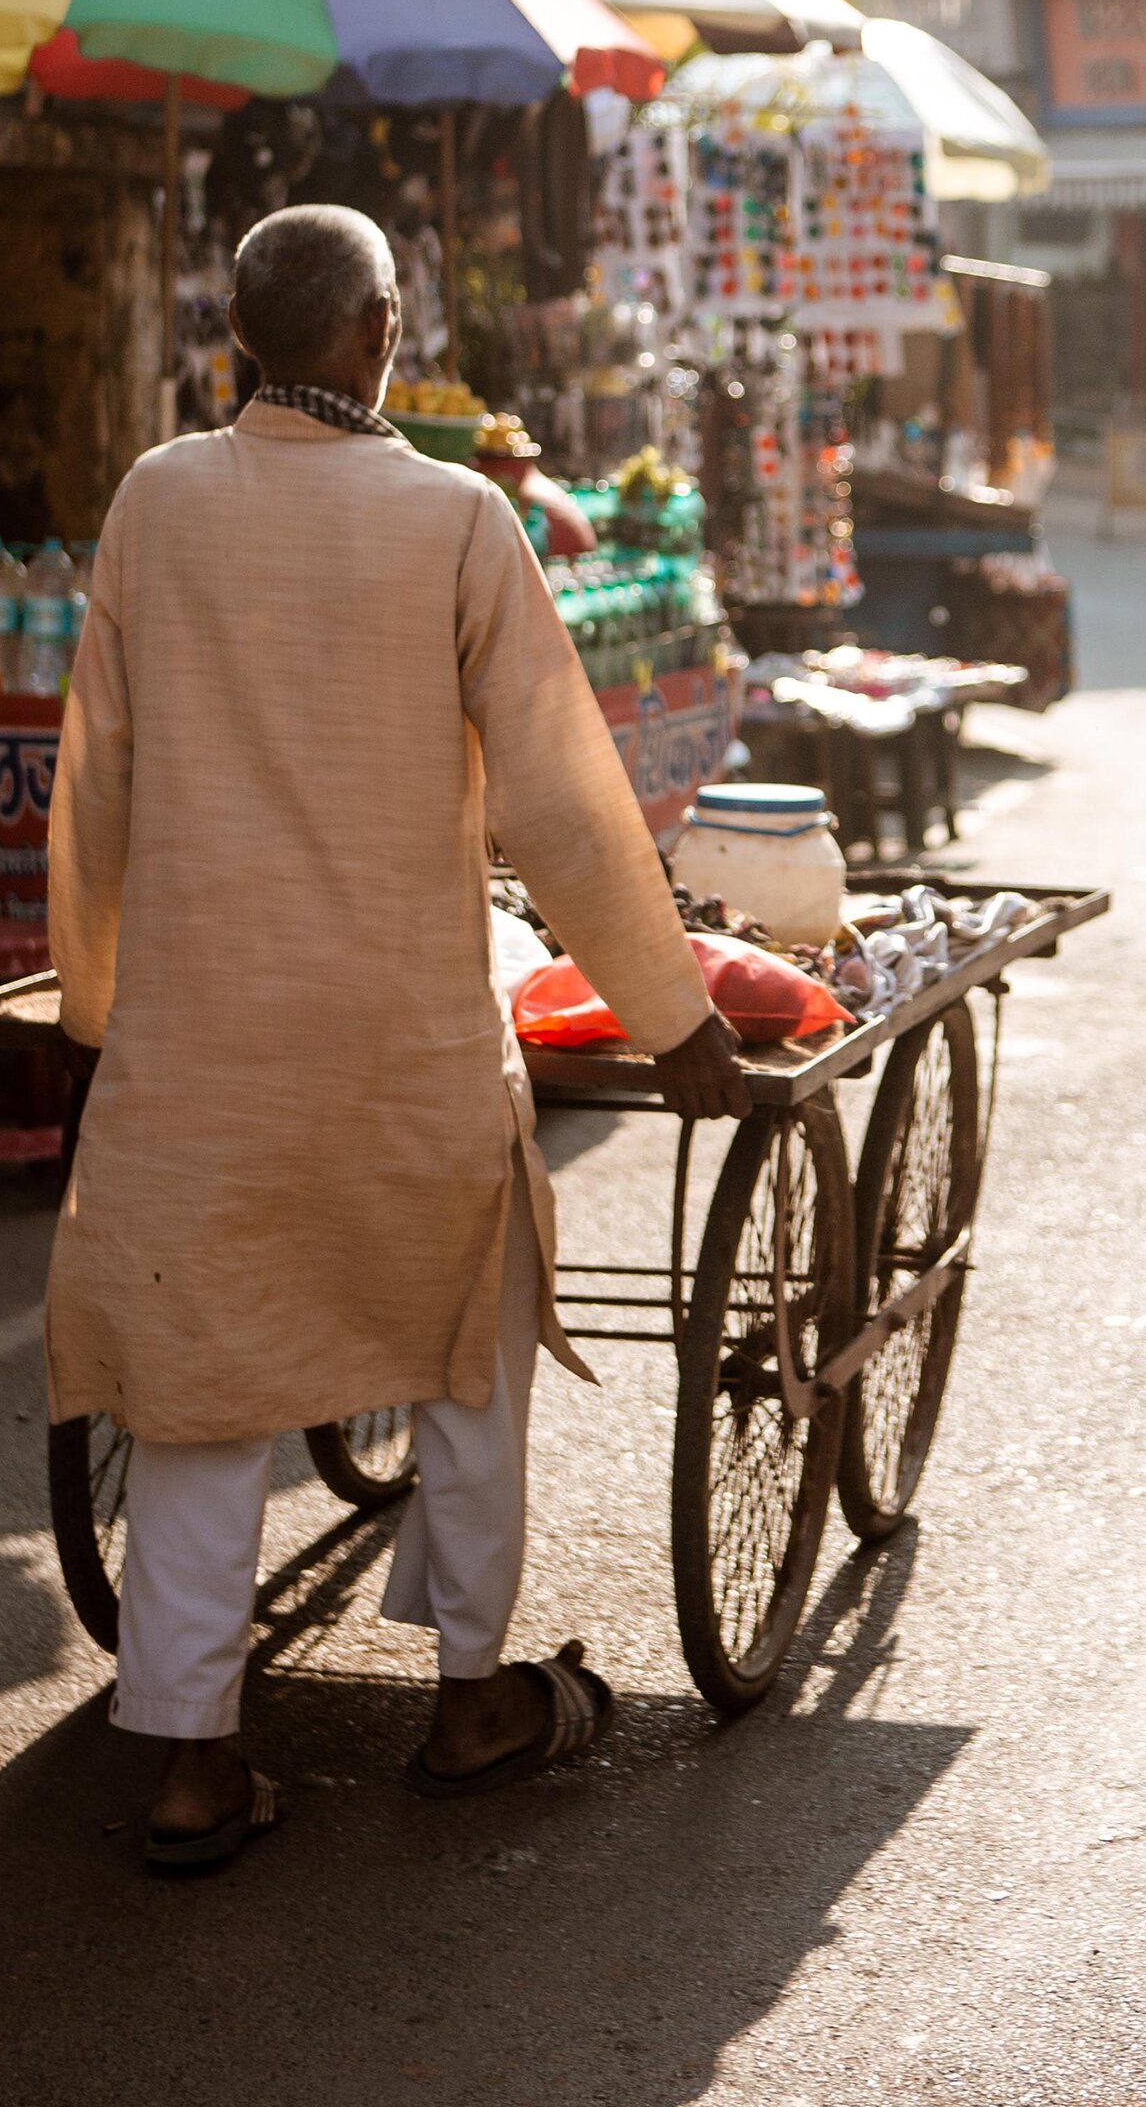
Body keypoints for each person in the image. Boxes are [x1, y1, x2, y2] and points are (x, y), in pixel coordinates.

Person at [46, 203, 745, 1874]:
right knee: (468, 1345)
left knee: (203, 1384)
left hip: (203, 1049)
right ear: (374, 333)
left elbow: (98, 780)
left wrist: (91, 999)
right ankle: (471, 1696)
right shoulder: (454, 518)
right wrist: (677, 1017)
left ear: (243, 343)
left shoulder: (157, 500)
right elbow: (567, 810)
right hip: (407, 1047)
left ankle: (197, 1765)